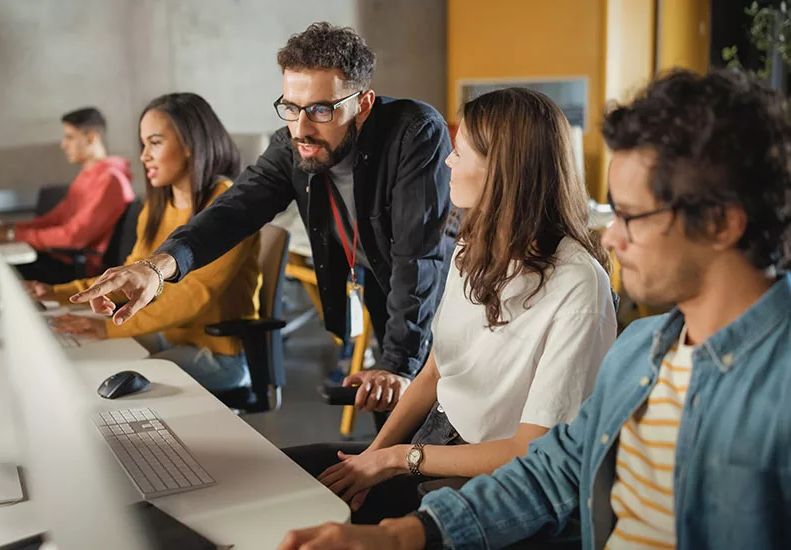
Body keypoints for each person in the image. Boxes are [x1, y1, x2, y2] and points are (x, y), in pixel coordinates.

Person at [278, 69, 791, 550]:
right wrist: (397, 536)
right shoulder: (643, 352)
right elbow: (550, 474)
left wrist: (397, 469)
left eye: (631, 216)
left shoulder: (777, 390)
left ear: (722, 224)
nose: (611, 235)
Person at [69, 22, 457, 412]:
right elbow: (231, 211)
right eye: (291, 108)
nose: (301, 129)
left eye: (321, 110)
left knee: (443, 410)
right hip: (381, 283)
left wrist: (398, 364)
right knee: (388, 409)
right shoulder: (292, 146)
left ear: (364, 104)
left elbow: (417, 257)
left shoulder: (414, 133)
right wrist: (156, 268)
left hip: (449, 292)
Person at [283, 88, 617, 525]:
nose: (447, 162)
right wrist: (370, 457)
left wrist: (394, 460)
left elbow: (531, 451)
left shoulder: (577, 284)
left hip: (491, 481)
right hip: (433, 440)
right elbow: (434, 373)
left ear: (500, 170)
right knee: (279, 478)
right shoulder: (474, 246)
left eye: (459, 152)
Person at [26, 94, 261, 393]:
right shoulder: (158, 206)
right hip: (168, 336)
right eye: (143, 144)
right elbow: (131, 273)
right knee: (81, 361)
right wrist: (58, 294)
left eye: (155, 142)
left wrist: (108, 327)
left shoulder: (228, 206)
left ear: (190, 145)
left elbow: (191, 297)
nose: (144, 155)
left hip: (220, 355)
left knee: (103, 382)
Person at [0, 107, 135, 284]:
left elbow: (74, 237)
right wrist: (6, 228)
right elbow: (54, 219)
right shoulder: (88, 175)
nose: (63, 144)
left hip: (73, 269)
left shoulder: (110, 180)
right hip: (59, 257)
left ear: (91, 137)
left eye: (70, 137)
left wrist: (11, 234)